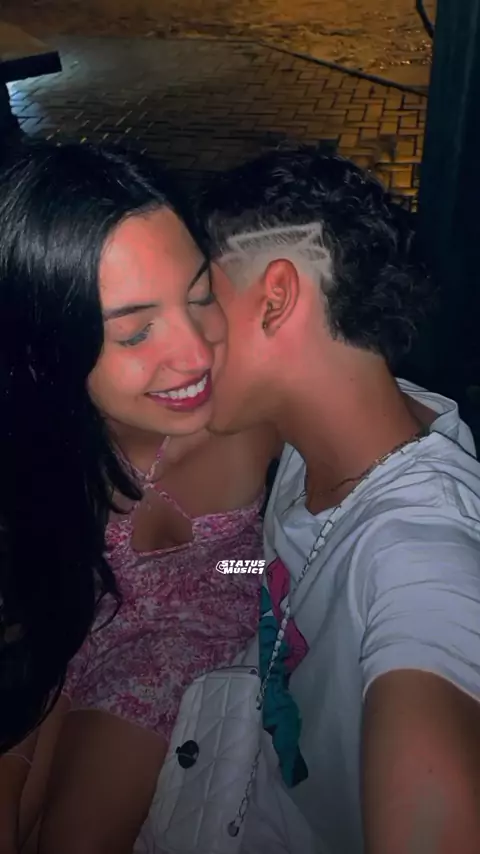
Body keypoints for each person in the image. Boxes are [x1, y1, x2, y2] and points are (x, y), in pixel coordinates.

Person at [0, 140, 279, 854]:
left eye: (200, 296)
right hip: (58, 628)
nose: (196, 353)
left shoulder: (259, 407)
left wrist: (242, 569)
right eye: (136, 331)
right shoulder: (39, 438)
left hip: (171, 649)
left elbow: (291, 555)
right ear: (50, 347)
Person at [199, 145, 480, 854]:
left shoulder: (423, 556)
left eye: (201, 299)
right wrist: (218, 570)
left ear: (275, 298)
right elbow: (282, 572)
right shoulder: (321, 435)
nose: (183, 336)